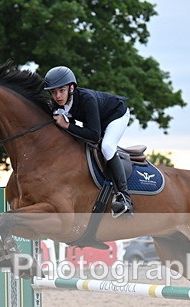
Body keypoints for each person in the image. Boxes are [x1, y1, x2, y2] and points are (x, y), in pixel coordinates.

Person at [43, 66, 133, 217]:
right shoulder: (58, 103)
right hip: (95, 120)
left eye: (62, 90)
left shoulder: (87, 99)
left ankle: (124, 197)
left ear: (71, 88)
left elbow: (93, 135)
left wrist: (66, 125)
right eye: (53, 92)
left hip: (116, 115)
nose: (58, 96)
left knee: (107, 147)